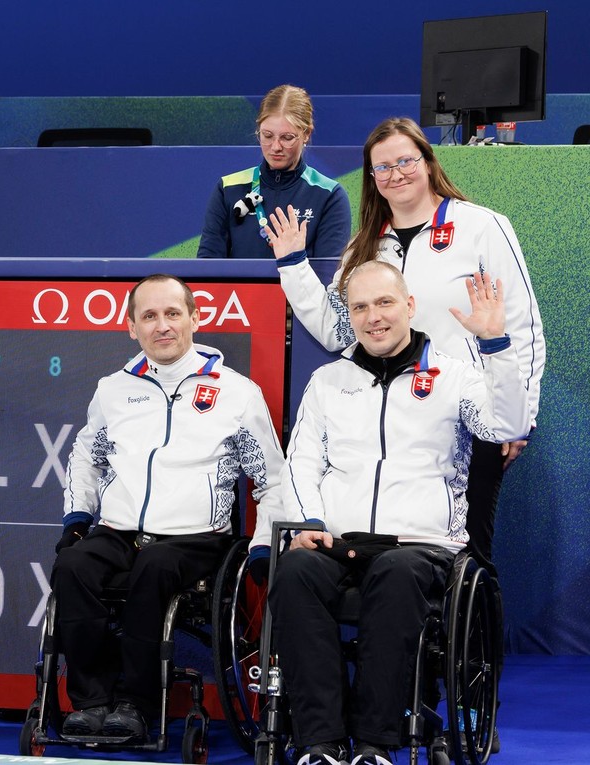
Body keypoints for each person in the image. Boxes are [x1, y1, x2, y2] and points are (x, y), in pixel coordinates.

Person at [270, 261, 528, 765]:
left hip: (421, 546)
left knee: (396, 569)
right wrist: (309, 524)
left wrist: (496, 346)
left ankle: (375, 742)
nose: (374, 317)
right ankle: (320, 742)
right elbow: (301, 460)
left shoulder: (454, 376)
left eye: (384, 303)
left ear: (409, 305)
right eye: (360, 307)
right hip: (338, 541)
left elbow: (506, 425)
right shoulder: (328, 381)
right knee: (295, 569)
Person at [267, 116, 544, 565]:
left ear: (429, 162)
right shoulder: (365, 247)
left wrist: (519, 412)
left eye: (405, 161)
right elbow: (340, 332)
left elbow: (523, 324)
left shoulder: (483, 227)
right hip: (398, 419)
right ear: (372, 179)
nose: (396, 174)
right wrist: (295, 266)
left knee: (470, 554)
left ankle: (478, 637)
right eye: (382, 167)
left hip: (470, 414)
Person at [52, 274, 284, 741]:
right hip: (119, 532)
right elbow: (85, 454)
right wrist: (79, 515)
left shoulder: (236, 392)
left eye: (172, 313)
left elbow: (273, 478)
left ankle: (137, 704)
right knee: (73, 564)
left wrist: (262, 545)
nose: (162, 326)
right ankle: (92, 701)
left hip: (195, 539)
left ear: (195, 318)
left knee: (155, 567)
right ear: (132, 327)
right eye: (149, 316)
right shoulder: (112, 389)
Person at [197, 84, 350, 260]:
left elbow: (329, 274)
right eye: (267, 136)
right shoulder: (228, 188)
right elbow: (208, 265)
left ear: (306, 133)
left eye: (287, 138)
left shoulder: (329, 195)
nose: (276, 147)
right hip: (239, 289)